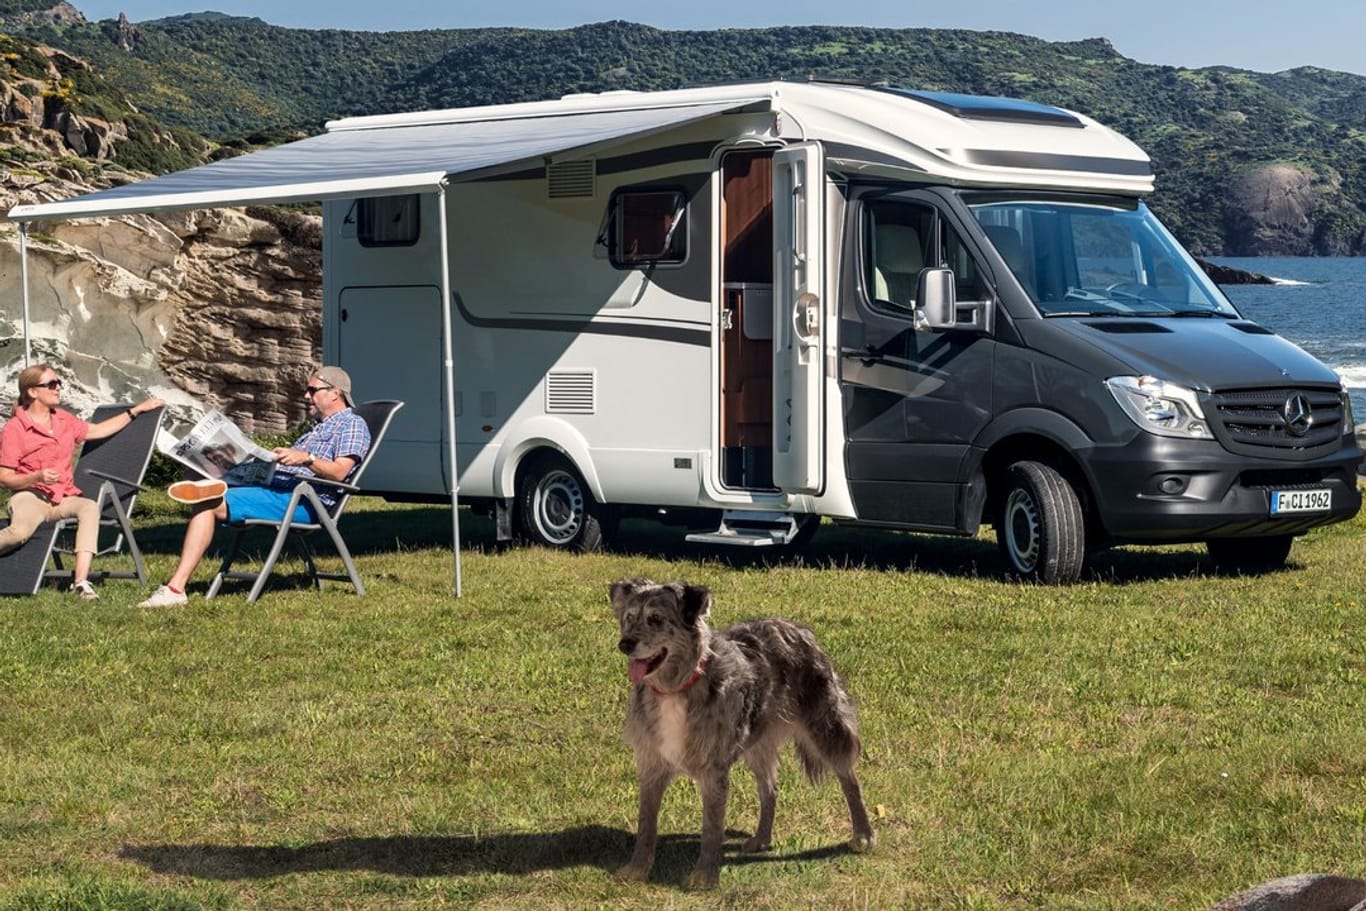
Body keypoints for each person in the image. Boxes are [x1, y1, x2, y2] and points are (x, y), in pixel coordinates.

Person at [138, 366, 370, 607]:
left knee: (206, 502)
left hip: (304, 501)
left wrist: (307, 458)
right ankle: (207, 480)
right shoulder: (318, 427)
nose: (306, 396)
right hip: (279, 489)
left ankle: (175, 589)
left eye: (312, 390)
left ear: (334, 393)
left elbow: (340, 472)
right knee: (203, 474)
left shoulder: (352, 424)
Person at [0, 363, 165, 600]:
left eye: (58, 383)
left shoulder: (63, 420)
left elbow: (97, 430)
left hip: (63, 497)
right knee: (18, 533)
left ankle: (80, 582)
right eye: (51, 384)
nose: (58, 389)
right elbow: (5, 478)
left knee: (88, 507)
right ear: (32, 392)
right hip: (31, 495)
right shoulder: (15, 428)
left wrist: (136, 410)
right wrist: (36, 476)